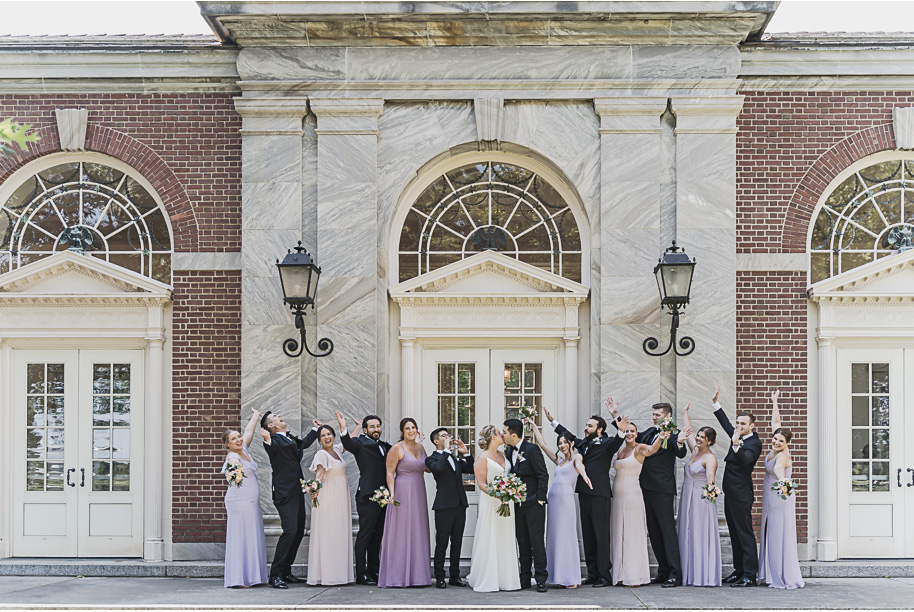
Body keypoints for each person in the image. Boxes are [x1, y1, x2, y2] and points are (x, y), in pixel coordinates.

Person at [606, 398, 688, 587]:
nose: (653, 418)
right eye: (653, 414)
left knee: (667, 532)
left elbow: (680, 452)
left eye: (657, 415)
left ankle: (675, 574)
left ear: (667, 417)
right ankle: (663, 571)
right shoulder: (650, 432)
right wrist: (615, 415)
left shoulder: (674, 434)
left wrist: (681, 442)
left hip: (662, 489)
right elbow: (630, 433)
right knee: (654, 532)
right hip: (644, 489)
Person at [545, 405, 624, 588]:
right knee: (588, 535)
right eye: (586, 425)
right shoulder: (583, 443)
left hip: (599, 494)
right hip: (584, 493)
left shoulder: (607, 443)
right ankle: (593, 573)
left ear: (600, 429)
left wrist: (616, 417)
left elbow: (619, 439)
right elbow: (568, 434)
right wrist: (552, 421)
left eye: (590, 426)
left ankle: (604, 575)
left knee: (601, 535)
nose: (586, 428)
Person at [527, 416, 592, 589]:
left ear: (571, 443)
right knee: (554, 536)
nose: (561, 445)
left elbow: (581, 467)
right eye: (559, 443)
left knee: (566, 536)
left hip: (565, 500)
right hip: (554, 501)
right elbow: (543, 445)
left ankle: (570, 577)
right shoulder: (560, 460)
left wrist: (584, 476)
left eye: (564, 442)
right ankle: (556, 575)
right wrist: (534, 425)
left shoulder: (576, 457)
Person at [260, 410, 321, 589]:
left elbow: (302, 445)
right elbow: (271, 447)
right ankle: (275, 574)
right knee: (290, 531)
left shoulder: (288, 438)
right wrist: (266, 438)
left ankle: (286, 570)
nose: (280, 416)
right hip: (284, 492)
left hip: (297, 490)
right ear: (270, 426)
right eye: (275, 417)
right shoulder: (274, 440)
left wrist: (315, 430)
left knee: (299, 530)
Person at [712, 384, 763, 587]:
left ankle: (750, 574)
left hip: (742, 495)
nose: (739, 426)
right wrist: (716, 403)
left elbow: (744, 461)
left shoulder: (754, 443)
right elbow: (725, 423)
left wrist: (735, 444)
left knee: (744, 533)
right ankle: (739, 569)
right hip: (730, 493)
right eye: (738, 423)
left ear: (752, 426)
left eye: (743, 424)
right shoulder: (737, 435)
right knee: (733, 532)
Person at [610, 415, 668, 586]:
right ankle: (620, 573)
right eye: (626, 431)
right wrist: (615, 415)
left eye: (632, 431)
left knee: (631, 534)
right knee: (618, 533)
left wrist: (662, 435)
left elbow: (652, 450)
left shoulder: (640, 448)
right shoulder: (620, 450)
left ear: (636, 434)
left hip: (632, 495)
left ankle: (633, 575)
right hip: (618, 497)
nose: (629, 433)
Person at [466, 425, 521, 593]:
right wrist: (498, 494)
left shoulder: (504, 454)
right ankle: (488, 578)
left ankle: (506, 578)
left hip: (507, 502)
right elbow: (481, 483)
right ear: (492, 437)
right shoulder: (482, 458)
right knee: (491, 536)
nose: (502, 434)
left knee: (505, 537)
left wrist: (510, 492)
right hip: (492, 502)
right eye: (499, 433)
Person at [378, 417, 432, 588]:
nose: (411, 431)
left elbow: (428, 468)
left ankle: (418, 576)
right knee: (401, 531)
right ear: (402, 431)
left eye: (413, 427)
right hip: (402, 491)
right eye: (407, 428)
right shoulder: (397, 448)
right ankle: (398, 575)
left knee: (418, 529)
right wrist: (392, 493)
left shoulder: (420, 447)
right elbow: (389, 472)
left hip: (418, 490)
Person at [758, 391, 805, 589]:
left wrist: (783, 481)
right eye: (775, 439)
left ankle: (778, 574)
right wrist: (774, 402)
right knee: (770, 531)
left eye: (780, 441)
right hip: (770, 495)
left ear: (787, 444)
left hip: (779, 496)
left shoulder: (782, 456)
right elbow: (776, 422)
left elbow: (778, 469)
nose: (776, 442)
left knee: (777, 533)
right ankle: (769, 571)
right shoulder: (776, 446)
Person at [339, 411, 392, 586]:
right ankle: (361, 574)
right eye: (372, 427)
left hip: (383, 496)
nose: (376, 429)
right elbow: (347, 443)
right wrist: (343, 428)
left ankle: (374, 571)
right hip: (367, 495)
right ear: (365, 429)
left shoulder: (385, 446)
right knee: (365, 534)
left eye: (378, 426)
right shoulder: (360, 443)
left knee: (377, 536)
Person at [221, 410, 268, 588]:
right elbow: (232, 469)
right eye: (234, 439)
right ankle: (239, 579)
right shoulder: (233, 457)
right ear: (227, 444)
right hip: (239, 503)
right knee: (241, 537)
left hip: (251, 503)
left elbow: (249, 432)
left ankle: (253, 576)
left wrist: (256, 415)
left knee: (251, 536)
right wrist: (235, 473)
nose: (239, 440)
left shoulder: (244, 449)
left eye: (238, 437)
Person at [502, 418, 550, 593]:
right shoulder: (508, 451)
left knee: (536, 542)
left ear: (514, 434)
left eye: (505, 432)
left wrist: (540, 498)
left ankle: (541, 579)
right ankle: (524, 579)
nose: (503, 434)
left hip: (533, 504)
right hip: (517, 505)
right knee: (521, 541)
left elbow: (542, 475)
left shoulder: (532, 449)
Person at [677, 402, 722, 587]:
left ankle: (702, 574)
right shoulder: (695, 451)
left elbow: (710, 477)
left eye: (702, 437)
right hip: (687, 496)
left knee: (698, 533)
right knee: (687, 531)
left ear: (710, 441)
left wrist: (710, 492)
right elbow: (688, 430)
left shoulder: (709, 458)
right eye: (698, 435)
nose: (698, 438)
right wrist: (685, 412)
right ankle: (688, 572)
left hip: (700, 500)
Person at [307, 419, 354, 586]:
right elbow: (319, 475)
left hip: (341, 495)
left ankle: (339, 573)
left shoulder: (337, 450)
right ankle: (328, 574)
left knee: (339, 531)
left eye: (329, 434)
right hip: (328, 496)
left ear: (334, 436)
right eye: (323, 435)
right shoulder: (321, 454)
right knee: (330, 531)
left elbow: (349, 441)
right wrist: (314, 492)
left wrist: (352, 427)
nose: (326, 437)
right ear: (319, 439)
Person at [425, 428, 474, 589]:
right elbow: (438, 469)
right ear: (435, 441)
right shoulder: (431, 459)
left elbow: (470, 469)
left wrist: (466, 453)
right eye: (443, 436)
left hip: (460, 504)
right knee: (442, 542)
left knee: (457, 542)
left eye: (448, 435)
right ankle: (440, 577)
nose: (448, 438)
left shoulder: (454, 458)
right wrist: (445, 450)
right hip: (444, 506)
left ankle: (455, 576)